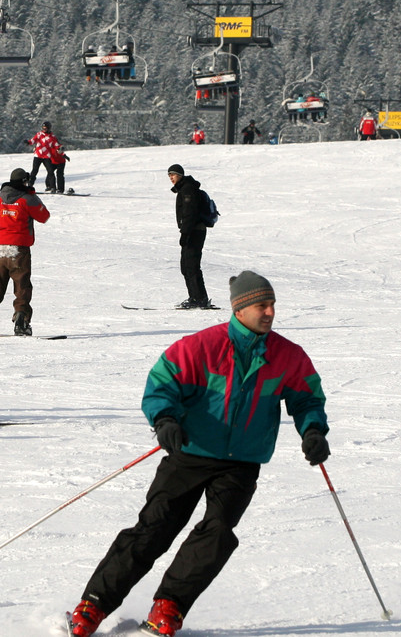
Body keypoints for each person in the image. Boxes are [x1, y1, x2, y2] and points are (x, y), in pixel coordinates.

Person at [67, 271, 330, 637]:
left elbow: (307, 398)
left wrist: (313, 429)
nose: (270, 312)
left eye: (272, 305)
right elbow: (162, 384)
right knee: (155, 529)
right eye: (261, 305)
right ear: (239, 308)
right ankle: (92, 605)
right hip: (190, 452)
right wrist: (165, 420)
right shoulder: (201, 347)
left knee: (218, 531)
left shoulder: (287, 355)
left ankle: (169, 605)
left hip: (242, 461)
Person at [0, 169, 50, 336]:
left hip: (0, 249)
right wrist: (32, 194)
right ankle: (21, 320)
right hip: (19, 250)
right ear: (24, 182)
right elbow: (44, 216)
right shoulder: (27, 199)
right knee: (22, 286)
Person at [167, 164, 211, 309]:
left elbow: (189, 214)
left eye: (173, 174)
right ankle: (198, 297)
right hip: (193, 231)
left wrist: (185, 234)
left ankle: (198, 299)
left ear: (180, 175)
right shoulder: (186, 188)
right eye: (169, 175)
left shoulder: (187, 190)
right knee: (187, 266)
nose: (171, 178)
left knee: (190, 266)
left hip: (194, 231)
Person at [27, 121, 60, 187]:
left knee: (50, 171)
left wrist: (59, 148)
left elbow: (56, 145)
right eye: (43, 128)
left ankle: (52, 187)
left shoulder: (52, 137)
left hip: (46, 156)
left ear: (49, 128)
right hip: (38, 155)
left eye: (45, 128)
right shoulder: (39, 134)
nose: (44, 130)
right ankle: (30, 185)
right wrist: (28, 142)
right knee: (34, 171)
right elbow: (33, 140)